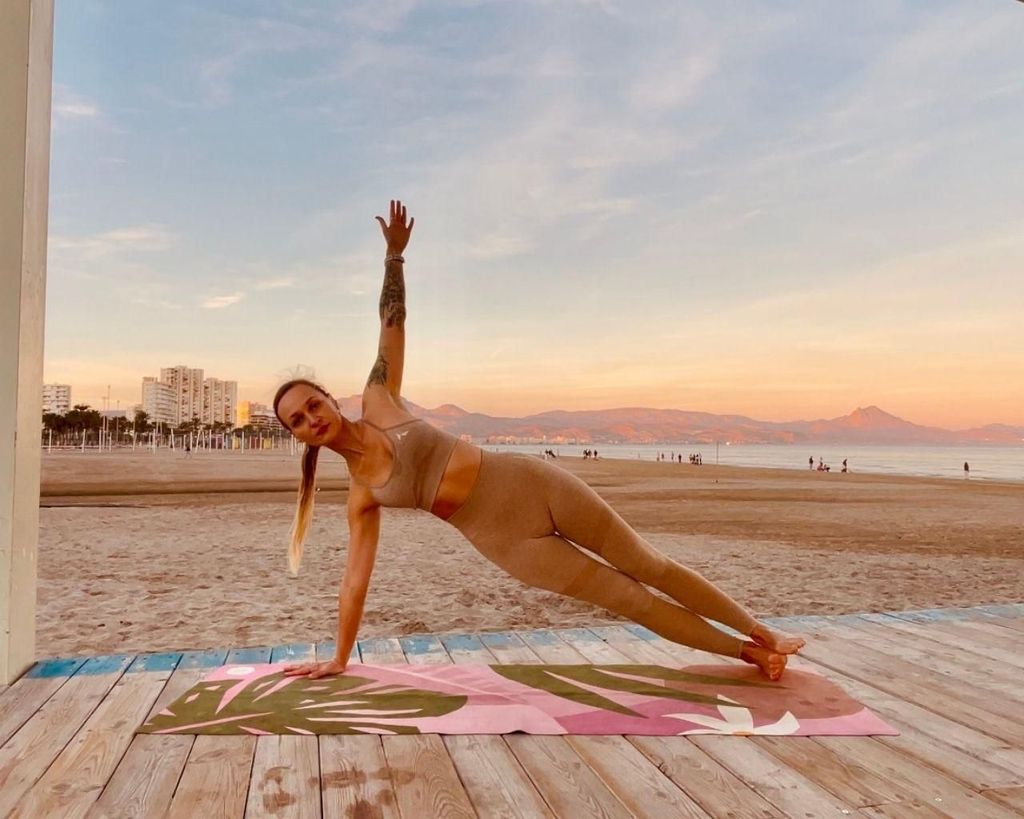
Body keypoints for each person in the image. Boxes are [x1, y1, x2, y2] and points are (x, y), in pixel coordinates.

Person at [274, 200, 804, 682]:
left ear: (329, 399)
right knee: (630, 600)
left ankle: (762, 631)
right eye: (297, 420)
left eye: (312, 404)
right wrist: (339, 658)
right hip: (509, 543)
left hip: (532, 482)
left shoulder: (379, 397)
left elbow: (392, 322)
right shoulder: (362, 495)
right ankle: (749, 655)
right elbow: (354, 583)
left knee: (650, 565)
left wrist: (394, 257)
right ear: (297, 435)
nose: (311, 419)